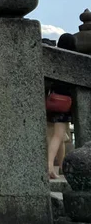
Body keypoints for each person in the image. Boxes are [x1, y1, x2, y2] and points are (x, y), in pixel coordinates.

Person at [46, 33, 76, 179]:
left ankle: (62, 166)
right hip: (64, 103)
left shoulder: (53, 60)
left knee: (60, 135)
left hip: (52, 101)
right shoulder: (73, 61)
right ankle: (49, 166)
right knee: (58, 135)